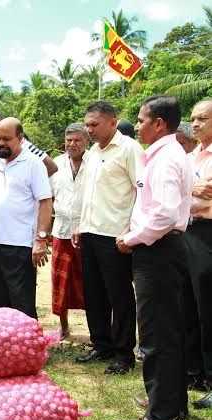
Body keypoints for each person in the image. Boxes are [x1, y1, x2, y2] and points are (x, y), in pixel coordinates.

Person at [116, 95, 192, 420]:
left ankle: (159, 416)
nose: (139, 126)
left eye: (142, 120)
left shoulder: (164, 159)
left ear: (159, 123)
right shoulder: (167, 154)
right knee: (167, 331)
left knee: (156, 335)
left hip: (158, 251)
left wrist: (131, 238)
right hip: (162, 249)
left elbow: (163, 215)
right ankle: (171, 403)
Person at [73, 101, 143, 375]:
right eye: (87, 125)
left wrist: (131, 228)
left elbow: (141, 191)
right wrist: (81, 225)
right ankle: (101, 344)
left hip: (115, 234)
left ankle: (124, 354)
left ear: (113, 122)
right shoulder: (92, 152)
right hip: (90, 232)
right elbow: (88, 195)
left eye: (94, 125)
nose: (89, 130)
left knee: (120, 295)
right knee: (94, 293)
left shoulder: (129, 149)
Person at [0, 105, 57, 300]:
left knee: (21, 301)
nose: (1, 143)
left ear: (20, 139)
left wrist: (40, 239)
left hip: (20, 244)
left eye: (7, 139)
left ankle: (26, 332)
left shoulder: (33, 163)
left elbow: (46, 202)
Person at [182, 98, 212, 409]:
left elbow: (206, 199)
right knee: (187, 305)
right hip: (187, 232)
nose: (195, 123)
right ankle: (194, 372)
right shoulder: (190, 158)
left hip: (208, 233)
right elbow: (186, 195)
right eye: (193, 118)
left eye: (202, 118)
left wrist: (189, 191)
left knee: (208, 308)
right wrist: (192, 188)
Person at [50, 123, 88, 338]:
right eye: (69, 140)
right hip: (61, 230)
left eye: (78, 140)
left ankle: (98, 329)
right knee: (59, 281)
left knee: (89, 281)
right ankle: (64, 327)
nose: (73, 144)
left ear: (86, 142)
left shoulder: (94, 162)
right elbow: (49, 198)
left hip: (89, 230)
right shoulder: (56, 164)